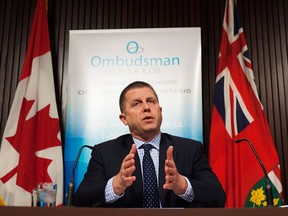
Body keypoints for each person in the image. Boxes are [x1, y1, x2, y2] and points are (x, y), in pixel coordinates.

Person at [73, 81, 226, 208]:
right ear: (123, 118)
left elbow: (218, 197)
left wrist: (183, 185)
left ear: (160, 111)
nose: (146, 107)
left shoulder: (190, 149)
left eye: (151, 101)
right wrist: (116, 185)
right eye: (136, 104)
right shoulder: (104, 152)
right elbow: (81, 200)